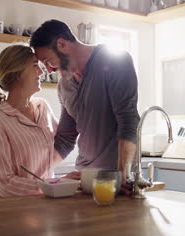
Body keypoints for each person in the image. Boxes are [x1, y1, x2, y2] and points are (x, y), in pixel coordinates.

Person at [30, 20, 140, 183]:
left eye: (47, 61)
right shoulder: (64, 86)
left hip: (116, 177)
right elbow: (66, 139)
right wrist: (36, 175)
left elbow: (129, 121)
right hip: (84, 178)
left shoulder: (116, 60)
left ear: (61, 44)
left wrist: (123, 175)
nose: (49, 70)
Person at [0, 44, 59, 198]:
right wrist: (52, 186)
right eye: (35, 65)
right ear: (17, 73)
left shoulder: (43, 108)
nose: (41, 71)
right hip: (12, 211)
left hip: (44, 206)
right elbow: (6, 185)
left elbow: (64, 143)